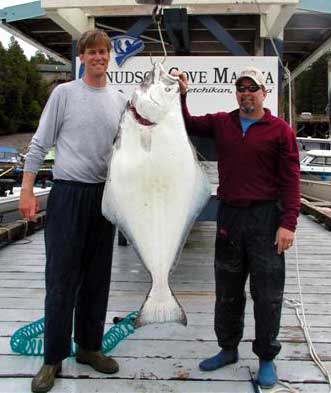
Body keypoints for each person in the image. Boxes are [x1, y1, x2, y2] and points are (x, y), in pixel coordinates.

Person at [173, 66, 300, 388]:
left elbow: (291, 181)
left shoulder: (280, 130)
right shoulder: (221, 123)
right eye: (241, 88)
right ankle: (227, 348)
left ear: (263, 93)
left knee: (268, 295)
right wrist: (182, 94)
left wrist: (288, 224)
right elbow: (186, 123)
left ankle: (266, 357)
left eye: (252, 88)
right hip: (230, 217)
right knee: (227, 292)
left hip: (266, 220)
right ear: (236, 93)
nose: (246, 93)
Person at [19, 30, 127, 393]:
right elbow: (39, 142)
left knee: (98, 279)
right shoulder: (63, 94)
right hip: (67, 195)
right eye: (91, 52)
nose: (98, 57)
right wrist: (28, 188)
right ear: (81, 57)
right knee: (62, 280)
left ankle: (89, 347)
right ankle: (52, 359)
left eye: (103, 51)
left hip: (105, 199)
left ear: (110, 56)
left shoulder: (120, 99)